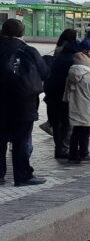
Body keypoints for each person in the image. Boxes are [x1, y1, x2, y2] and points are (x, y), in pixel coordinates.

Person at [0, 18, 49, 186]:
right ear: (21, 33)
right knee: (21, 140)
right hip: (23, 103)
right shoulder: (28, 50)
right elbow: (44, 72)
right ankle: (22, 176)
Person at [43, 29, 79, 160]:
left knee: (57, 122)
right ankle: (63, 148)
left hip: (52, 92)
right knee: (66, 122)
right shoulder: (73, 59)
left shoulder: (58, 54)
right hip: (64, 93)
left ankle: (59, 148)